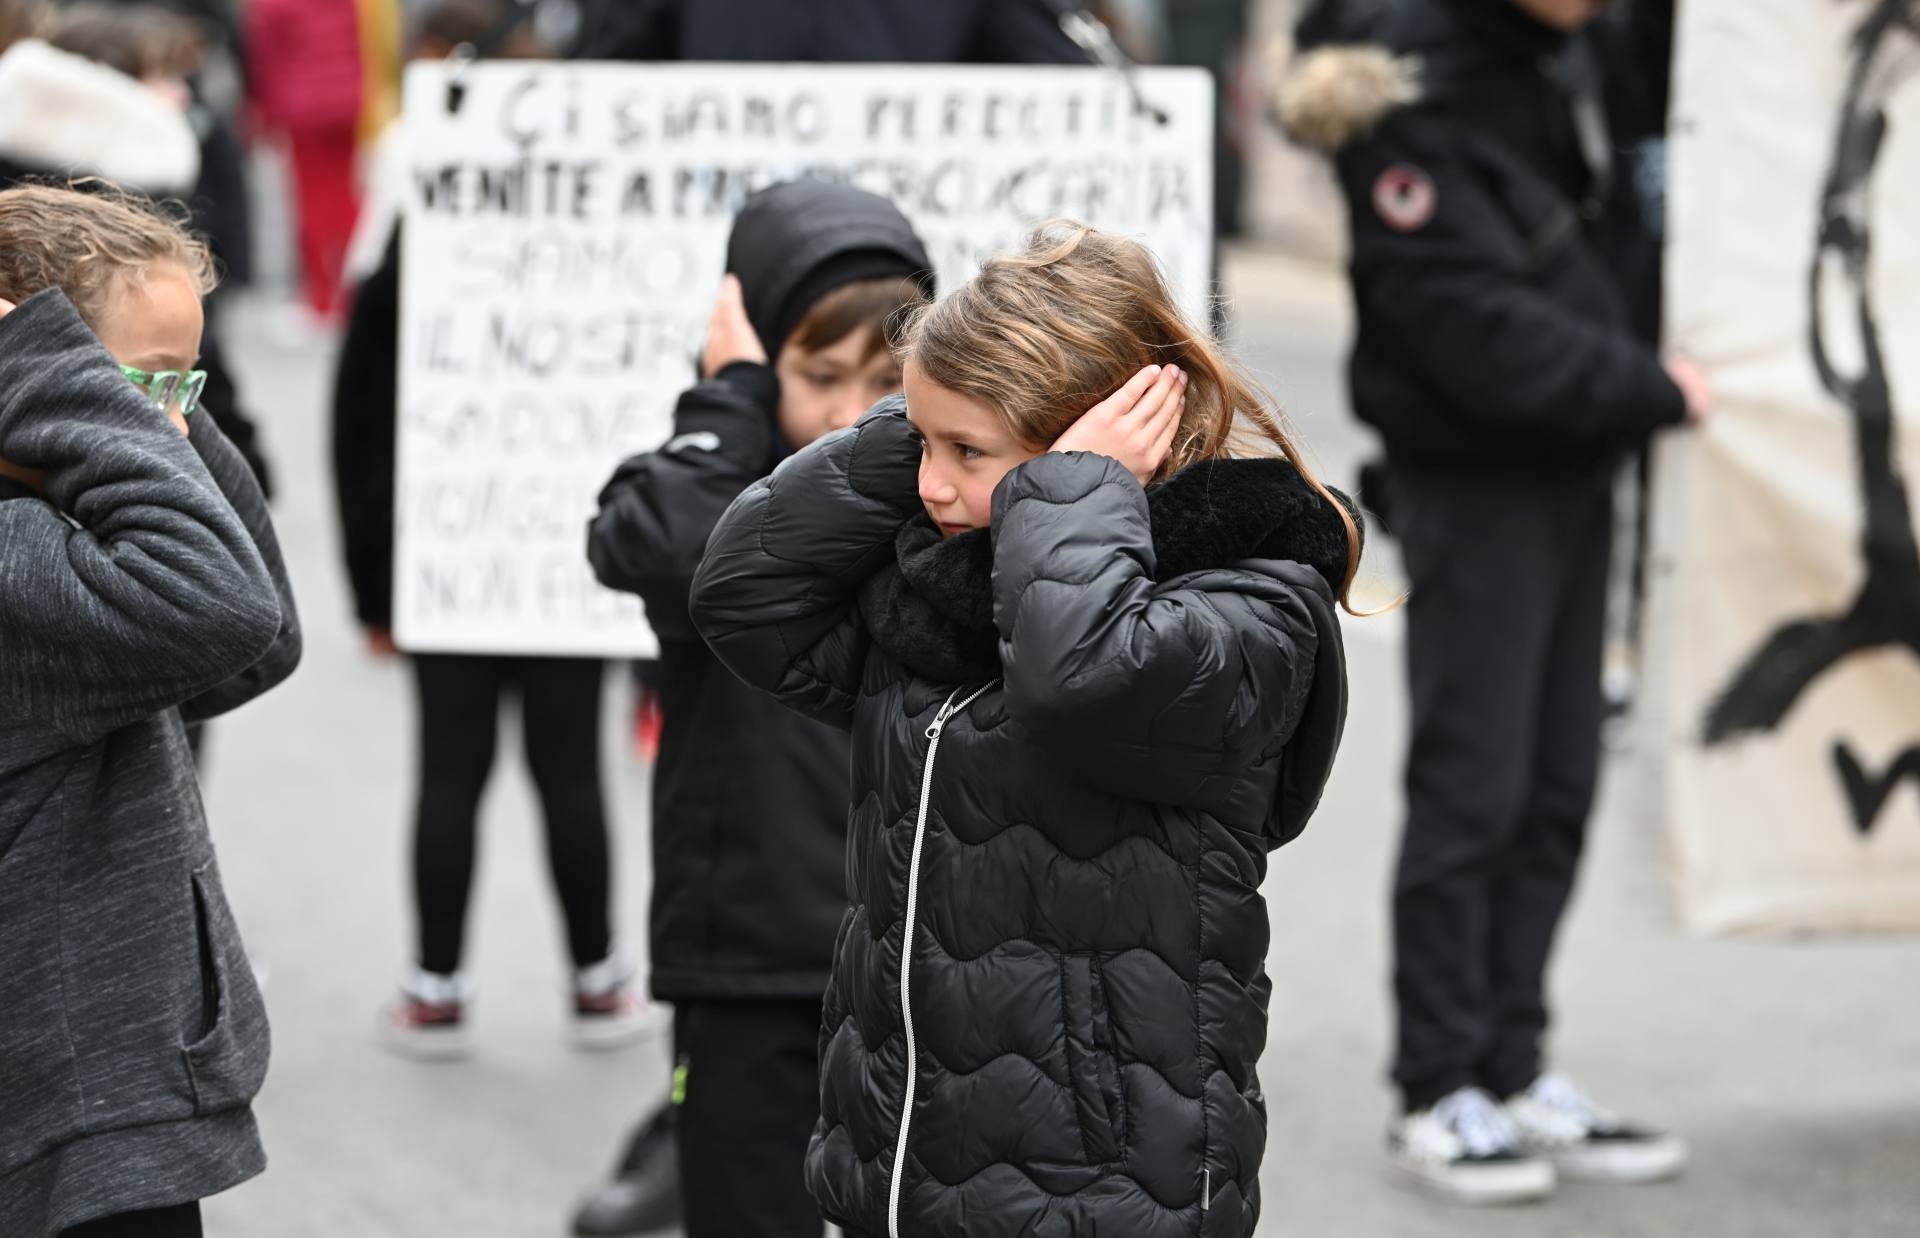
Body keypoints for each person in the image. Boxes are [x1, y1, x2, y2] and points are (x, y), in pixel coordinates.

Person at [687, 221, 1355, 1238]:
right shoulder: (933, 589)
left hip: (1103, 1191)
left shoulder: (1247, 604)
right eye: (924, 442)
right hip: (901, 1164)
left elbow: (1083, 680)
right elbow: (742, 593)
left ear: (1096, 447)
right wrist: (916, 416)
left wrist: (1071, 492)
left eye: (968, 451)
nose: (930, 485)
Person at [1278, 0, 1702, 1205]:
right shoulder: (1399, 85)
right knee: (1477, 785)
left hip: (1580, 469)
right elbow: (1469, 326)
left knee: (1560, 780)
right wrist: (1651, 385)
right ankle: (1438, 1083)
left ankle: (1513, 1066)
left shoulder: (1578, 56)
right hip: (1477, 485)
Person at [577, 181, 936, 1238]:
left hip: (915, 962)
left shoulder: (951, 493)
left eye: (886, 378)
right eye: (816, 375)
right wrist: (729, 397)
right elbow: (656, 546)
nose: (850, 411)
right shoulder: (713, 487)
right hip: (745, 957)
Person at [329, 0, 656, 1064]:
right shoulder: (620, 248)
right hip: (559, 557)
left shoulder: (414, 236)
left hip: (456, 555)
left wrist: (374, 585)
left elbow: (357, 423)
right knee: (569, 770)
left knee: (452, 768)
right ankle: (599, 977)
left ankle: (436, 984)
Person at [0, 183, 301, 1238]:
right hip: (60, 1107)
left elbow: (259, 645)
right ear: (40, 379)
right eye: (135, 387)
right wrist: (73, 377)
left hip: (90, 1088)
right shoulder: (21, 557)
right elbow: (228, 604)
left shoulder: (69, 517)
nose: (169, 424)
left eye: (188, 384)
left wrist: (157, 405)